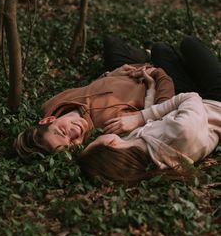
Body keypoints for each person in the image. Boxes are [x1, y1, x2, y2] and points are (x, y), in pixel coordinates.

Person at [77, 36, 221, 184]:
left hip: (191, 108)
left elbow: (153, 123)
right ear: (111, 144)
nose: (94, 138)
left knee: (160, 50)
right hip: (215, 102)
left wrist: (151, 86)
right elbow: (191, 97)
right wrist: (139, 117)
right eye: (92, 144)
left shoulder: (139, 149)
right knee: (189, 44)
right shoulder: (181, 131)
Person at [14, 61, 174, 159]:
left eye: (63, 132)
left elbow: (89, 90)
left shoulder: (51, 105)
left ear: (48, 120)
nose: (76, 135)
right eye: (73, 144)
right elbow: (163, 111)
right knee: (175, 48)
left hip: (125, 71)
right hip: (157, 76)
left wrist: (108, 75)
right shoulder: (110, 126)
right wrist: (156, 75)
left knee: (111, 44)